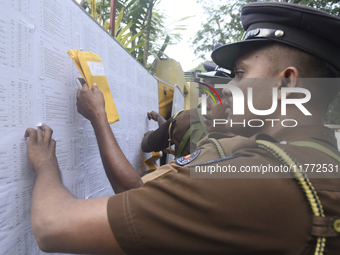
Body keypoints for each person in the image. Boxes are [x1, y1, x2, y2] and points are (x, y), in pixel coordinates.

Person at [25, 2, 340, 254]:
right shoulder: (321, 160)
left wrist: (46, 164)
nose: (228, 88)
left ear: (286, 82)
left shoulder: (254, 178)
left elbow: (52, 226)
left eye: (241, 74)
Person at [141, 65, 233, 158]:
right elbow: (173, 130)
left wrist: (149, 135)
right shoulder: (245, 135)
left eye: (215, 95)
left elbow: (147, 145)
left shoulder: (187, 118)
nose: (205, 104)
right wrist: (160, 118)